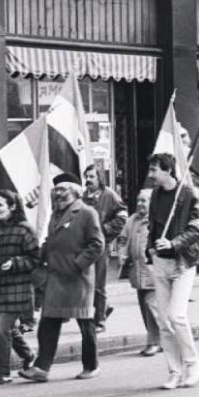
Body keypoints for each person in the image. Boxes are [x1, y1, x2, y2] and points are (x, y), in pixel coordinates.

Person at [19, 172, 104, 383]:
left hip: (78, 278)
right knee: (48, 323)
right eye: (56, 189)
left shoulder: (86, 212)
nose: (58, 193)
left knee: (86, 324)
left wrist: (77, 264)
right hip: (56, 277)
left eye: (62, 189)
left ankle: (91, 365)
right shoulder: (56, 214)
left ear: (75, 191)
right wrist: (38, 257)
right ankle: (41, 368)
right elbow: (50, 240)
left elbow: (97, 245)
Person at [146, 153, 199, 390]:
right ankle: (174, 370)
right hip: (160, 262)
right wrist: (150, 249)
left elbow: (198, 228)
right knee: (163, 321)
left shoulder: (189, 194)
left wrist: (174, 244)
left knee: (176, 316)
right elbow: (153, 225)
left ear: (168, 171)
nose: (151, 175)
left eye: (154, 170)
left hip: (182, 263)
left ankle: (193, 363)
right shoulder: (155, 195)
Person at [0, 190, 39, 386]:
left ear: (12, 207)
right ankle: (29, 355)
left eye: (0, 205)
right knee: (9, 328)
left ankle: (3, 373)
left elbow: (35, 259)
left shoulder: (24, 230)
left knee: (1, 327)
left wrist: (15, 263)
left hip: (17, 289)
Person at [82, 164, 127, 332]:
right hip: (85, 246)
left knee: (99, 284)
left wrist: (106, 230)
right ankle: (104, 307)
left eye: (92, 176)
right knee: (86, 282)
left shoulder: (109, 195)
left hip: (101, 246)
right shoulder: (83, 197)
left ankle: (100, 320)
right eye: (86, 176)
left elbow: (122, 216)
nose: (88, 180)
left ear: (100, 178)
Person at [118, 188, 161, 357]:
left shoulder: (157, 220)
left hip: (153, 271)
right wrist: (122, 252)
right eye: (138, 200)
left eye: (144, 201)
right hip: (137, 271)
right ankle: (158, 339)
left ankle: (156, 341)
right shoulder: (132, 220)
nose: (140, 204)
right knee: (145, 308)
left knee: (152, 306)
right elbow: (123, 238)